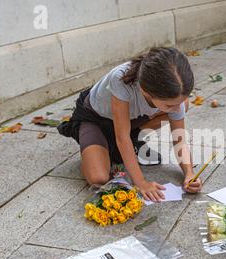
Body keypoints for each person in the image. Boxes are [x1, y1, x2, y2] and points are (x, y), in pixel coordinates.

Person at [58, 47, 202, 202]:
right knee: (98, 178)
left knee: (183, 105)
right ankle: (98, 145)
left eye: (177, 103)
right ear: (146, 90)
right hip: (96, 120)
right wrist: (141, 183)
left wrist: (189, 173)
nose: (176, 108)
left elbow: (179, 139)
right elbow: (122, 137)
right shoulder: (121, 78)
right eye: (169, 105)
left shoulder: (174, 98)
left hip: (129, 122)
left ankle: (129, 142)